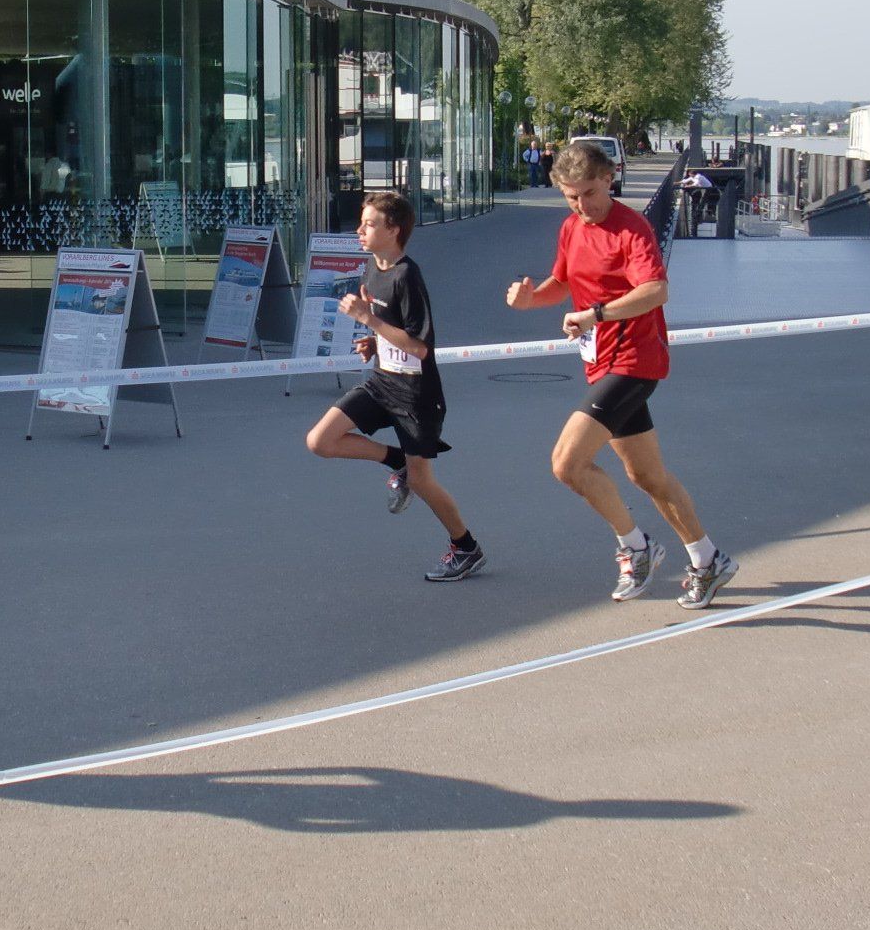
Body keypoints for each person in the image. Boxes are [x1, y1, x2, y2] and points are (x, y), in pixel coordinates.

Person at [507, 140, 736, 608]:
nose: (582, 205)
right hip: (600, 362)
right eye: (571, 196)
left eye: (589, 193)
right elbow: (562, 282)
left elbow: (655, 290)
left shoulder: (632, 228)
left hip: (634, 360)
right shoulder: (572, 228)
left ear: (608, 179)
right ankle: (708, 559)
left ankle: (636, 547)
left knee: (567, 463)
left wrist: (596, 314)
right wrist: (532, 299)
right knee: (647, 476)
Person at [305, 190, 485, 583]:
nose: (359, 230)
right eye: (361, 223)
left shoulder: (407, 275)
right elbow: (392, 328)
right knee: (320, 441)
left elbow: (420, 347)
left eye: (369, 224)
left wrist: (368, 321)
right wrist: (374, 343)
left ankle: (466, 547)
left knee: (422, 481)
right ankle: (395, 461)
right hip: (382, 381)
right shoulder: (372, 269)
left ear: (394, 230)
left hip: (416, 395)